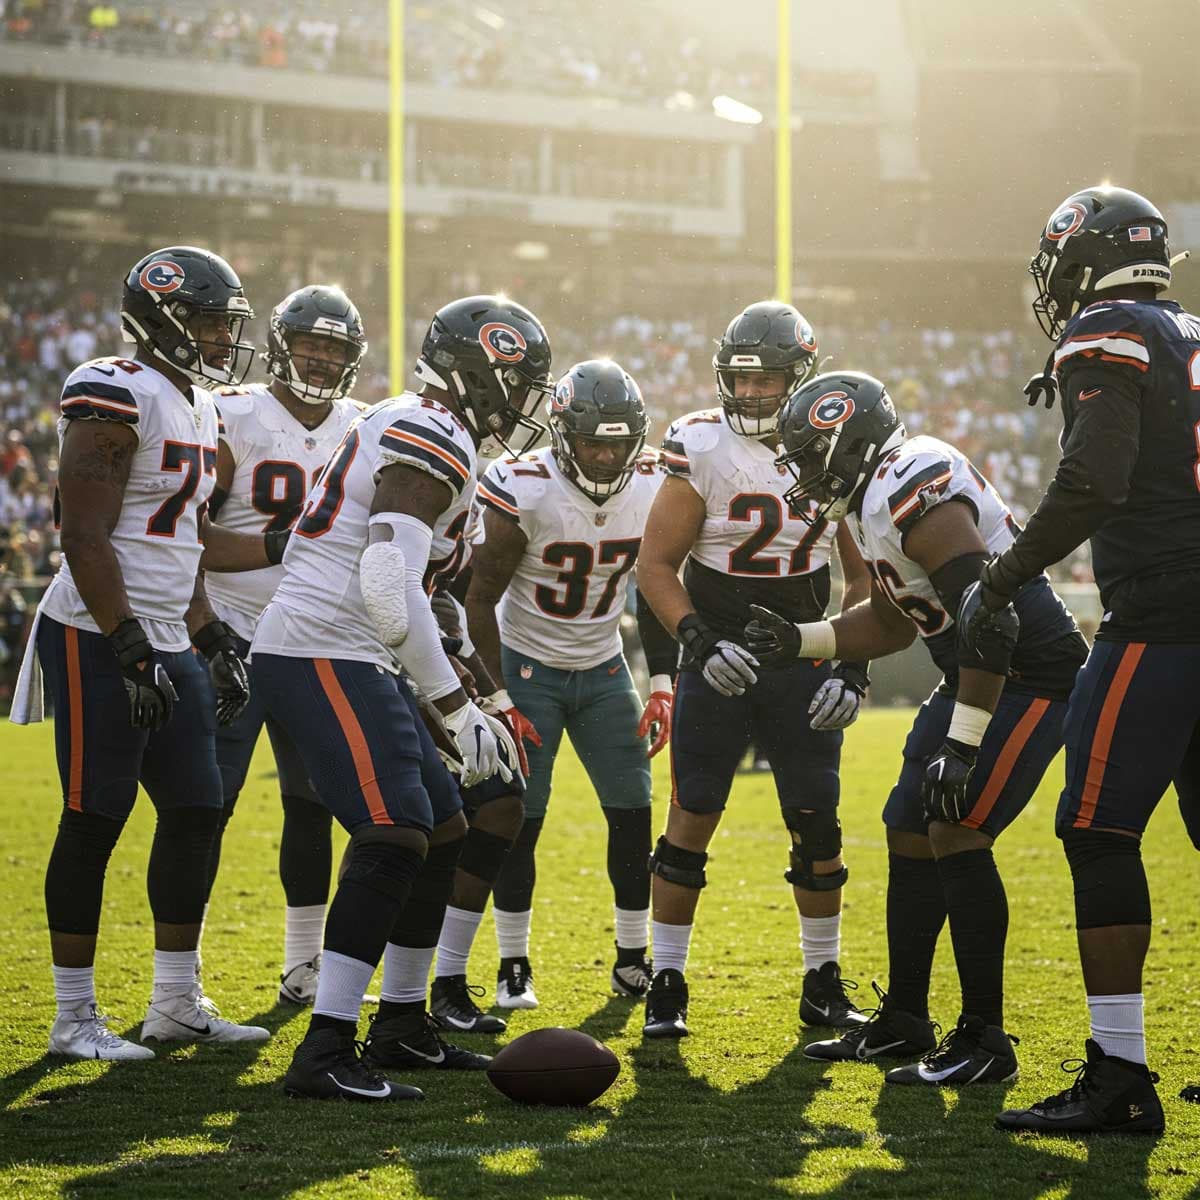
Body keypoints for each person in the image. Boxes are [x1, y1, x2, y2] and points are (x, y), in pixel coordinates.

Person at [249, 295, 550, 1100]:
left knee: (447, 825)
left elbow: (424, 595)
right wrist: (453, 706)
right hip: (322, 644)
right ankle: (323, 1049)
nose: (527, 402)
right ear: (480, 374)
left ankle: (404, 1026)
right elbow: (386, 581)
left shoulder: (425, 424)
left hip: (352, 651)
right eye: (519, 382)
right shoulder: (434, 431)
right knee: (394, 831)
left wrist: (476, 696)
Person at [751, 370, 1086, 1086]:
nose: (805, 474)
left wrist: (962, 744)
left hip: (1028, 675)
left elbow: (989, 621)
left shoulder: (912, 480)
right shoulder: (873, 499)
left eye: (811, 456)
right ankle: (906, 1019)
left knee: (954, 827)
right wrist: (801, 640)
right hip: (973, 669)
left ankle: (985, 1040)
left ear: (850, 441)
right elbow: (894, 621)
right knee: (907, 821)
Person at [964, 186, 1200, 1135]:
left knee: (1096, 827)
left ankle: (1119, 1072)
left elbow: (1097, 473)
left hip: (1162, 610)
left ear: (1079, 258)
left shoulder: (1108, 329)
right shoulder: (1188, 328)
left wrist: (1006, 574)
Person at [10, 246, 280, 1060]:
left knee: (198, 809)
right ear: (161, 315)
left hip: (165, 634)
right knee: (95, 817)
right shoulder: (115, 388)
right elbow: (83, 533)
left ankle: (172, 1002)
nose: (219, 337)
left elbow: (181, 547)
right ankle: (72, 1018)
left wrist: (209, 635)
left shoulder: (199, 405)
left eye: (223, 323)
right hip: (99, 632)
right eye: (205, 320)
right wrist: (128, 646)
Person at [635, 301, 872, 1040]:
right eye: (741, 379)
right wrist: (698, 642)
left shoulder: (837, 444)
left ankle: (822, 981)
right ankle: (666, 979)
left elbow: (869, 580)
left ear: (801, 377)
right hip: (722, 652)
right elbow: (655, 566)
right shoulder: (701, 444)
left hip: (802, 648)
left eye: (768, 379)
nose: (753, 394)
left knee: (816, 817)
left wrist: (851, 664)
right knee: (692, 814)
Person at [450, 358, 676, 1013]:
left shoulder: (658, 479)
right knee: (521, 818)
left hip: (606, 667)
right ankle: (513, 964)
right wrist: (496, 697)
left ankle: (634, 960)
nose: (606, 456)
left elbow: (657, 583)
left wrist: (661, 681)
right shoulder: (523, 486)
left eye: (618, 441)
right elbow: (478, 597)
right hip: (527, 668)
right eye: (592, 441)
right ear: (562, 435)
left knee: (634, 814)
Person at [201, 285, 367, 1005]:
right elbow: (192, 538)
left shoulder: (364, 425)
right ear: (281, 344)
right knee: (207, 806)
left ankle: (305, 963)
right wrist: (278, 541)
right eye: (312, 344)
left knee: (312, 803)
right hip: (233, 631)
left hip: (312, 638)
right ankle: (183, 975)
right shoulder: (231, 413)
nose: (322, 359)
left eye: (336, 349)